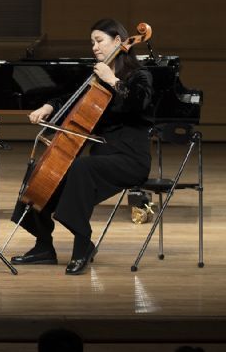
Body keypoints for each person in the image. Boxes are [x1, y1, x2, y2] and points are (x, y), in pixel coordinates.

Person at [11, 18, 154, 275]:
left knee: (80, 168)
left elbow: (139, 103)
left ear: (118, 41)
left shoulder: (139, 75)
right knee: (42, 174)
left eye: (99, 41)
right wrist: (49, 106)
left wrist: (113, 80)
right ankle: (43, 246)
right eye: (92, 42)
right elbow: (72, 99)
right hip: (102, 156)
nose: (94, 47)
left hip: (130, 158)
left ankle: (82, 245)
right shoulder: (96, 76)